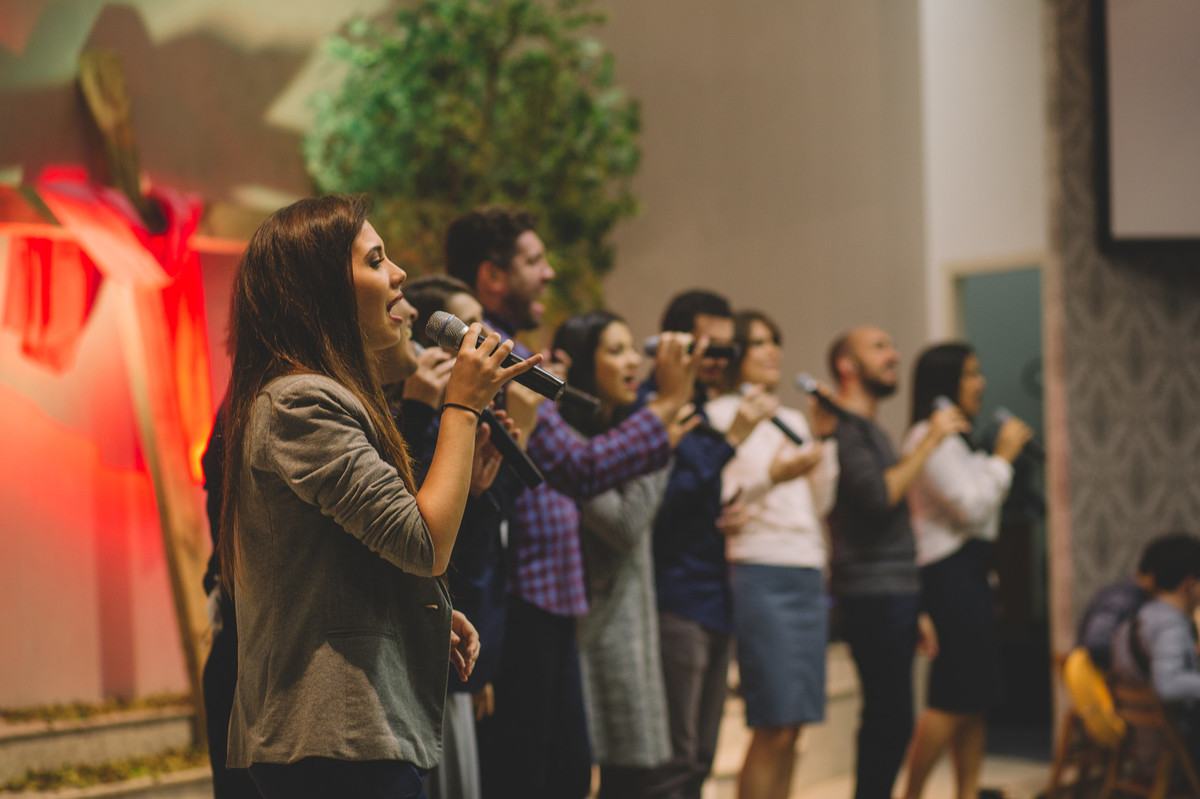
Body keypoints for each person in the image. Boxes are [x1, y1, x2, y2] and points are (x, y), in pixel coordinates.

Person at [219, 194, 540, 799]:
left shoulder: (325, 395)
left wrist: (417, 610)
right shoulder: (300, 401)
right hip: (331, 731)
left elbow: (352, 554)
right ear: (323, 291)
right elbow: (425, 544)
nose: (398, 276)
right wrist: (462, 407)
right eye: (375, 261)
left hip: (348, 733)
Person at [445, 207, 700, 799]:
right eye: (534, 261)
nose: (550, 272)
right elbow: (581, 469)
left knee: (564, 772)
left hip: (556, 601)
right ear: (493, 277)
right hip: (520, 602)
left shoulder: (521, 351)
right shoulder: (492, 355)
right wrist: (663, 408)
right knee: (533, 777)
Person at [545, 310, 693, 798]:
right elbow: (624, 526)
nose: (633, 362)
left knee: (640, 778)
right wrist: (661, 447)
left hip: (628, 625)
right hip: (595, 636)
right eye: (615, 350)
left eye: (633, 348)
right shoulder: (574, 444)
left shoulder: (616, 433)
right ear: (586, 366)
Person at [824, 326, 969, 799]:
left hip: (896, 590)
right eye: (879, 347)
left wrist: (918, 605)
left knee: (893, 719)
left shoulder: (872, 431)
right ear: (848, 366)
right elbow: (880, 496)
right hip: (871, 591)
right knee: (888, 719)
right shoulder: (844, 430)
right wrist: (930, 441)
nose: (894, 354)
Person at [643, 291, 777, 799]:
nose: (720, 361)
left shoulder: (703, 411)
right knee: (673, 762)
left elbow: (693, 498)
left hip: (713, 595)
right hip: (673, 597)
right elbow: (658, 504)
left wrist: (726, 511)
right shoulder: (656, 409)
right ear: (677, 345)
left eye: (727, 349)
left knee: (701, 758)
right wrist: (731, 441)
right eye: (710, 347)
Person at [705, 311, 839, 799]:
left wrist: (824, 439)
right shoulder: (722, 416)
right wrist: (774, 478)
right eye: (759, 342)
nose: (771, 351)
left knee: (796, 726)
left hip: (806, 566)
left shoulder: (794, 418)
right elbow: (719, 500)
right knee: (773, 722)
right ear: (737, 354)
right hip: (759, 564)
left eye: (775, 340)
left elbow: (820, 502)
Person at [897, 343, 1033, 799]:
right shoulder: (925, 438)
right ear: (945, 384)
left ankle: (967, 792)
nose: (981, 383)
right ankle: (910, 793)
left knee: (976, 700)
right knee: (952, 697)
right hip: (948, 575)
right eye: (971, 374)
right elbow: (971, 508)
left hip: (973, 573)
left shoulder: (958, 442)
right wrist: (1004, 457)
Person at [1110, 533, 1200, 762]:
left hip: (1143, 745)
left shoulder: (1139, 618)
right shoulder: (1170, 625)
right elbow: (1168, 684)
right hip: (1173, 752)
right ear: (1188, 585)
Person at [1077, 538, 1167, 671]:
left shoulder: (1141, 598)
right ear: (1152, 576)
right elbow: (1097, 644)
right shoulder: (1121, 600)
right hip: (1111, 684)